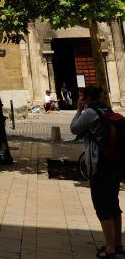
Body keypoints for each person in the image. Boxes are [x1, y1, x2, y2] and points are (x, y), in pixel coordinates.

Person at [70, 86, 123, 258]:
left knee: (101, 206)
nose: (79, 98)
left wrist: (78, 110)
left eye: (80, 96)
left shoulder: (89, 113)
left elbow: (74, 128)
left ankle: (109, 248)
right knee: (113, 204)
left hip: (99, 164)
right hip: (114, 162)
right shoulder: (105, 109)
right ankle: (117, 244)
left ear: (86, 98)